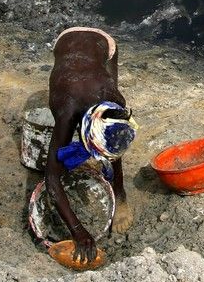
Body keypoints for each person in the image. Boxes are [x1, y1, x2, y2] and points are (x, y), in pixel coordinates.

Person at [45, 27, 138, 262]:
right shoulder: (65, 111)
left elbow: (117, 136)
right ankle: (97, 159)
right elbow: (52, 180)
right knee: (60, 156)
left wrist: (107, 150)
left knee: (112, 140)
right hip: (67, 41)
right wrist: (79, 231)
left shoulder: (113, 99)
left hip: (104, 44)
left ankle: (120, 193)